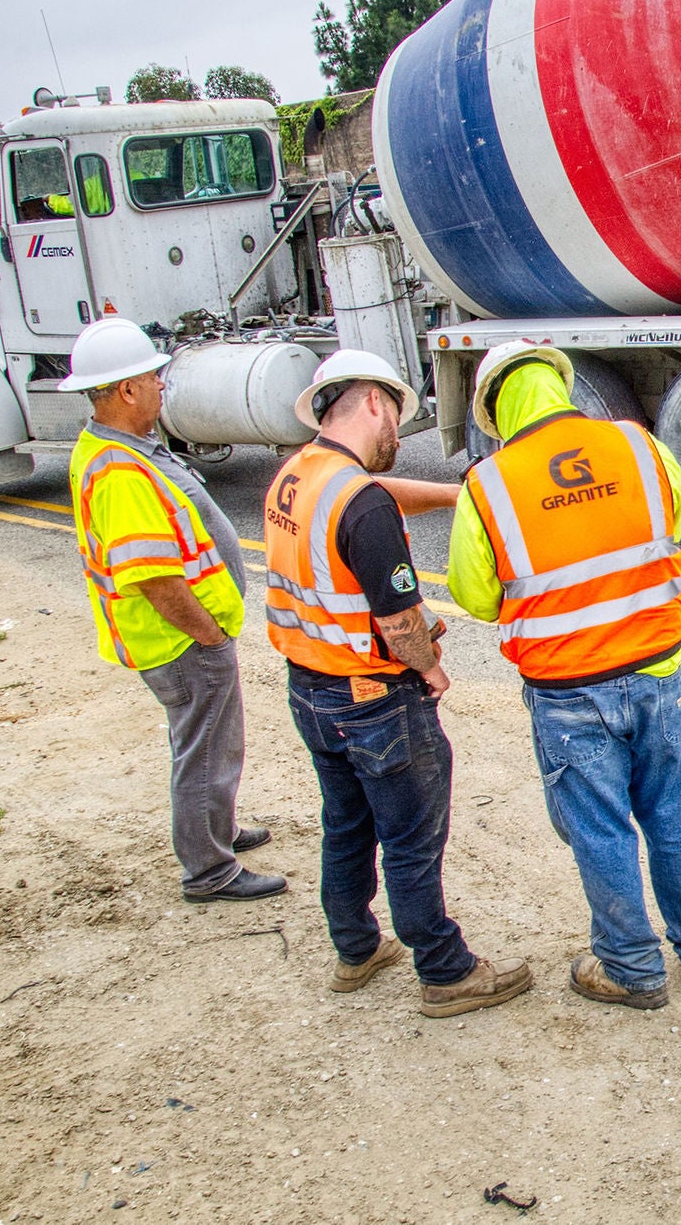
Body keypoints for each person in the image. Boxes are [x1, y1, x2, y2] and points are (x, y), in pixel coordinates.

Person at [448, 342, 681, 1010]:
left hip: (568, 687)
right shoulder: (635, 445)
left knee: (601, 827)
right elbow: (675, 520)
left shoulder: (489, 483)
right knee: (671, 806)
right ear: (560, 383)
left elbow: (473, 592)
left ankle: (632, 967)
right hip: (657, 668)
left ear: (496, 409)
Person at [265, 350, 532, 1018]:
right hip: (375, 700)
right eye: (397, 420)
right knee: (411, 839)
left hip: (311, 690)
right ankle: (444, 969)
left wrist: (451, 493)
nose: (397, 439)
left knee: (346, 824)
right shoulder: (361, 503)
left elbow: (372, 500)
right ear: (375, 403)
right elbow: (400, 619)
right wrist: (431, 670)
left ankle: (355, 948)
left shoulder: (299, 474)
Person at [61, 318, 283, 904]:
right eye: (154, 378)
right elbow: (153, 577)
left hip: (180, 638)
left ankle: (220, 830)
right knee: (204, 747)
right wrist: (207, 634)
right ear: (128, 390)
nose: (163, 386)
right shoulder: (120, 472)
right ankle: (210, 870)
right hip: (179, 641)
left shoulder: (118, 451)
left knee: (212, 742)